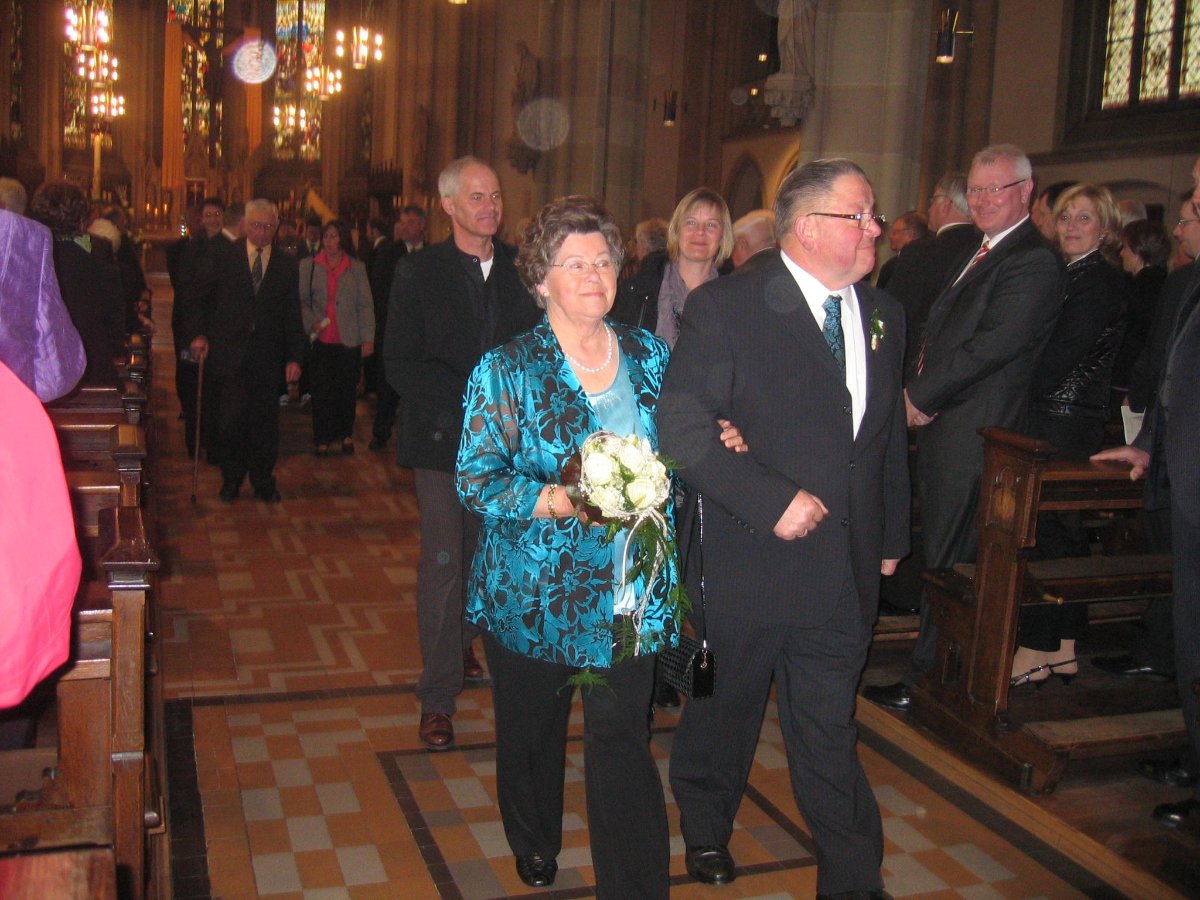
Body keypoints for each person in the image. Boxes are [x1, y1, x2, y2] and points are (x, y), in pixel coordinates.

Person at [658, 158, 909, 897]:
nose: (875, 228)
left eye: (873, 214)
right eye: (859, 215)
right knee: (724, 709)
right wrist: (771, 501)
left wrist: (891, 535)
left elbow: (884, 437)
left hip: (844, 565)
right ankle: (706, 824)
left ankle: (854, 880)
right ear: (807, 227)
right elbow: (681, 430)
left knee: (829, 729)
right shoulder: (728, 307)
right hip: (750, 559)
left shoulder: (884, 314)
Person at [456, 196, 679, 896]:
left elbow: (680, 445)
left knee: (622, 736)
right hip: (535, 588)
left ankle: (634, 882)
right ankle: (534, 839)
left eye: (604, 261)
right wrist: (562, 499)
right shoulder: (507, 368)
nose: (593, 274)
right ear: (540, 279)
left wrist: (717, 440)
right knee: (532, 730)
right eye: (574, 263)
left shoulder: (650, 355)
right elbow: (476, 480)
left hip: (630, 587)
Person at [863, 144, 1065, 713]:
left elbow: (992, 346)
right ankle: (936, 668)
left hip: (978, 428)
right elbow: (942, 331)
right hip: (952, 421)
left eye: (994, 189)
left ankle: (929, 677)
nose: (981, 200)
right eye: (975, 190)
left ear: (1025, 191)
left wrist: (919, 396)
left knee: (950, 558)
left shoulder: (1031, 260)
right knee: (942, 553)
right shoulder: (983, 249)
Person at [383, 157, 540, 751]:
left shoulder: (521, 272)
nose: (490, 207)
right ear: (448, 205)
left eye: (495, 196)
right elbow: (401, 363)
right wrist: (476, 405)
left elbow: (538, 349)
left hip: (508, 449)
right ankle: (438, 696)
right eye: (477, 197)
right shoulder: (419, 272)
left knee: (490, 560)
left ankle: (461, 641)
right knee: (446, 562)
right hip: (443, 443)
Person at [1092, 162, 1200, 828]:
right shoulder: (1191, 282)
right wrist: (1151, 446)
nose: (1190, 209)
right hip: (1185, 482)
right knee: (1193, 636)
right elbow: (1177, 380)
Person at [1010, 183, 1128, 686]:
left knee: (1045, 532)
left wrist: (1010, 388)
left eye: (1085, 218)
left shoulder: (1098, 280)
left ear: (1105, 228)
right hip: (1060, 414)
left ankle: (1037, 648)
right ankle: (1062, 647)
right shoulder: (1073, 273)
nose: (1072, 226)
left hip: (1062, 416)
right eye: (1065, 217)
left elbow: (1060, 354)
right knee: (1062, 532)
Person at [181, 198, 305, 503]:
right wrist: (198, 334)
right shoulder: (224, 255)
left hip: (267, 354)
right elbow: (199, 299)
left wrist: (295, 356)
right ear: (245, 225)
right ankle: (232, 478)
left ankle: (263, 479)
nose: (262, 232)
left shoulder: (286, 265)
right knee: (231, 420)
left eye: (268, 226)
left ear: (276, 227)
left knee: (265, 422)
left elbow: (292, 313)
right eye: (257, 225)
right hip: (229, 352)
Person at [28, 181, 126, 387]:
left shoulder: (24, 258)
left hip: (35, 376)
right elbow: (115, 330)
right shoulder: (98, 259)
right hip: (90, 373)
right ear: (82, 219)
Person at [611, 187, 734, 346]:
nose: (700, 232)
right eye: (691, 223)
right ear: (676, 231)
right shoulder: (637, 290)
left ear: (723, 236)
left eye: (711, 225)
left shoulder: (735, 298)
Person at [299, 219, 375, 455]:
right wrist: (310, 321)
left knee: (346, 390)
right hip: (321, 338)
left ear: (342, 239)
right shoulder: (309, 266)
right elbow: (302, 301)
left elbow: (365, 305)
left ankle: (345, 434)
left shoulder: (356, 267)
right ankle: (322, 437)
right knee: (321, 390)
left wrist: (368, 338)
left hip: (348, 338)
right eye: (326, 236)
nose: (329, 241)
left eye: (334, 236)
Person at [1111, 218, 1171, 414]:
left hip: (1127, 381)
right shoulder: (1164, 284)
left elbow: (1139, 339)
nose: (1121, 253)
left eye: (1125, 247)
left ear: (1139, 251)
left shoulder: (1141, 289)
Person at [876, 209, 929, 289]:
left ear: (912, 234)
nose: (890, 237)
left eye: (895, 232)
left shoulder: (894, 266)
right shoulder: (931, 261)